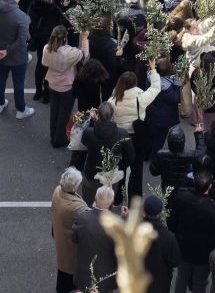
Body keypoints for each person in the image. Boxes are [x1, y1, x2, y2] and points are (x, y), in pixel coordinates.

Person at [109, 63, 161, 199]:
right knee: (136, 170)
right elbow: (156, 87)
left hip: (119, 138)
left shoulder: (112, 101)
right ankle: (134, 199)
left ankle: (117, 196)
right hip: (137, 138)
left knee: (119, 167)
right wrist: (153, 69)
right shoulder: (141, 98)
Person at [0, 0, 35, 120]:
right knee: (18, 83)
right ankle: (21, 109)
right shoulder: (21, 16)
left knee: (1, 78)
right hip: (17, 57)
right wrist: (7, 51)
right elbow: (21, 41)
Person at [169, 170, 215, 293]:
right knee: (200, 282)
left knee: (181, 277)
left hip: (183, 246)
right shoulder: (214, 208)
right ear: (209, 186)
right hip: (203, 253)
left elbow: (172, 220)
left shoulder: (181, 197)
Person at [42, 24, 89, 147]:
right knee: (64, 114)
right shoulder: (70, 53)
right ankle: (59, 139)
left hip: (52, 84)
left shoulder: (47, 49)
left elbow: (44, 62)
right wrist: (84, 38)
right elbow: (85, 55)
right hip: (66, 87)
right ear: (65, 38)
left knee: (54, 111)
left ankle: (53, 135)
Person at [72, 185, 120, 293]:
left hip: (85, 274)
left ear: (95, 198)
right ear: (112, 201)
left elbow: (74, 238)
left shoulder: (82, 218)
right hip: (107, 277)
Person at [52, 167, 88, 293]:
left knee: (63, 271)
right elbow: (90, 217)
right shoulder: (76, 207)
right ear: (73, 187)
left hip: (60, 236)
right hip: (71, 246)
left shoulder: (58, 191)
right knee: (70, 274)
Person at [143, 194, 181, 293]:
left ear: (144, 211)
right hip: (160, 282)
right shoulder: (169, 237)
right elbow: (175, 261)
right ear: (160, 213)